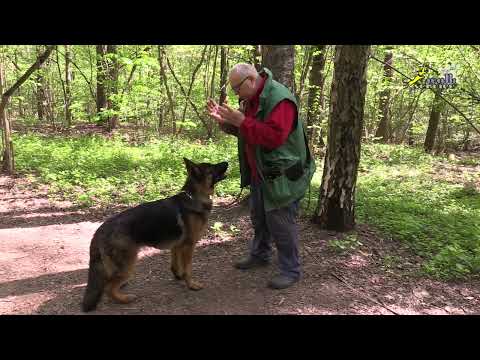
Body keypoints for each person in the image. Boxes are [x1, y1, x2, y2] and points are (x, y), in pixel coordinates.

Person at [206, 63, 315, 289]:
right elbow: (249, 132)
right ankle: (260, 254)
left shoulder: (280, 100)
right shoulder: (253, 99)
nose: (236, 94)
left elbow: (274, 138)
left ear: (251, 80)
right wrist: (227, 123)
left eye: (237, 89)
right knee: (260, 217)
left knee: (281, 222)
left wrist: (241, 120)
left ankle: (290, 270)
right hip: (261, 171)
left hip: (281, 176)